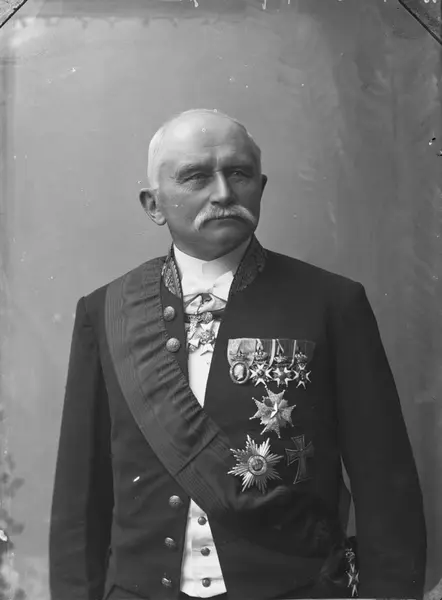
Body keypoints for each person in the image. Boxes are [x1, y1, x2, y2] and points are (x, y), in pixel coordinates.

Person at [49, 109, 426, 600]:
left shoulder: (332, 303)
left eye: (240, 173)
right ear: (153, 204)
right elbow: (80, 495)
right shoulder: (105, 311)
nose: (224, 192)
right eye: (196, 177)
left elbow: (385, 484)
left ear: (261, 188)